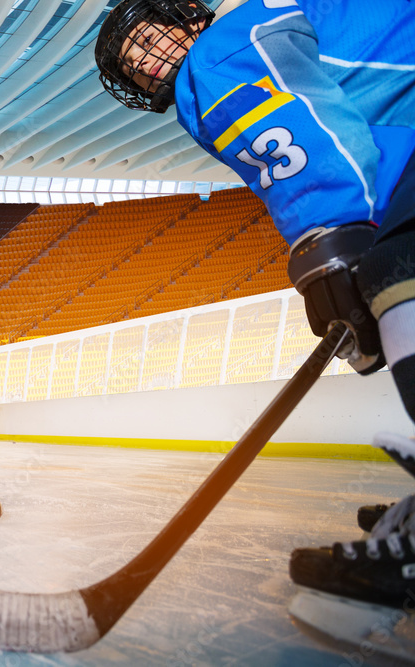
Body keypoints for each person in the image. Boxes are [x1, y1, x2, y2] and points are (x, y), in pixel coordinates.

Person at [94, 0, 415, 626]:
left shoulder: (216, 51)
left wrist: (332, 244)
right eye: (136, 66)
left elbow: (304, 149)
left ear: (185, 14)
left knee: (399, 268)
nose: (148, 61)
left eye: (147, 39)